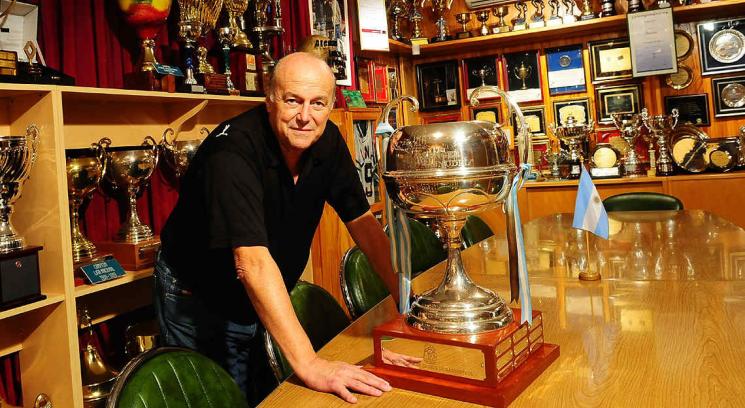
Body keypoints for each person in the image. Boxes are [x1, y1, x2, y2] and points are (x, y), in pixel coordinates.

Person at [154, 52, 399, 405]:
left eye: (318, 103)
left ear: (331, 105)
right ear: (270, 100)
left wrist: (407, 303)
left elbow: (364, 224)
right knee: (220, 397)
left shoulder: (326, 139)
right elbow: (251, 263)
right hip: (198, 295)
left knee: (267, 395)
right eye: (292, 101)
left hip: (262, 291)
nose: (305, 116)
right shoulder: (232, 153)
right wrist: (312, 364)